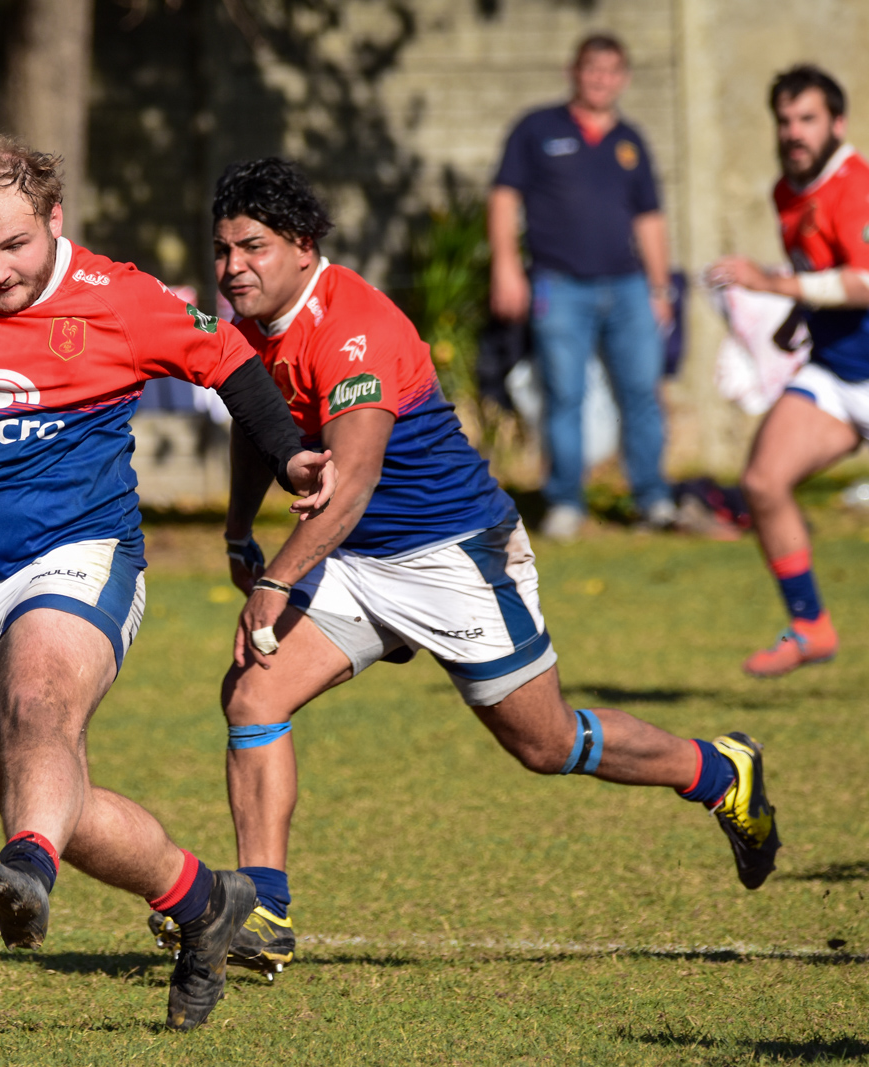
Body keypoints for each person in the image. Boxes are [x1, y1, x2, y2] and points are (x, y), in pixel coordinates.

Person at [150, 157, 779, 978]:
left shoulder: (355, 328)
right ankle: (265, 909)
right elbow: (259, 416)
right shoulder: (256, 327)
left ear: (303, 246)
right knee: (252, 692)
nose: (233, 267)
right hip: (355, 560)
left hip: (452, 557)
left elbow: (352, 486)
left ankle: (719, 769)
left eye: (252, 247)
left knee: (544, 743)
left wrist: (274, 581)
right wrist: (239, 529)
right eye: (223, 249)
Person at [0, 135, 335, 1030]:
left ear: (55, 220)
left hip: (80, 553)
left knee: (40, 704)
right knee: (55, 798)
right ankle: (205, 903)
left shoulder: (119, 297)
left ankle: (28, 873)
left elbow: (230, 362)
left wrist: (291, 455)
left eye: (16, 246)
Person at [707, 66, 866, 679]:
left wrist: (771, 285)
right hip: (836, 374)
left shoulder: (855, 186)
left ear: (837, 123)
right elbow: (822, 272)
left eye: (808, 119)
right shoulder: (788, 190)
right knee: (764, 481)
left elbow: (863, 282)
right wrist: (796, 315)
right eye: (785, 120)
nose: (794, 132)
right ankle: (811, 627)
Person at [488, 33, 675, 541]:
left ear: (624, 79)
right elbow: (504, 199)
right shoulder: (536, 129)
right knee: (564, 394)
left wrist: (661, 288)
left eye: (611, 71)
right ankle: (565, 503)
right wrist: (506, 267)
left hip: (630, 287)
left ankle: (653, 499)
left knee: (642, 392)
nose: (601, 79)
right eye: (593, 68)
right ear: (573, 72)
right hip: (559, 285)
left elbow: (650, 218)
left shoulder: (630, 141)